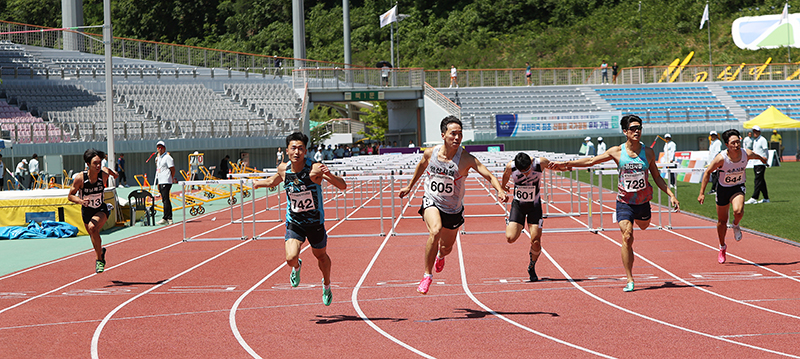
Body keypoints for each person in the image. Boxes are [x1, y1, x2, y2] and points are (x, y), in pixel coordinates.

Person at [548, 115, 679, 292]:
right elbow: (591, 160)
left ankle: (641, 224)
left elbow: (656, 176)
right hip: (624, 202)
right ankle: (630, 279)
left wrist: (671, 194)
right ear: (625, 131)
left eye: (639, 128)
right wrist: (566, 164)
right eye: (632, 128)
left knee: (644, 226)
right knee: (627, 236)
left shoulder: (648, 152)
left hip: (643, 202)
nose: (637, 131)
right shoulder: (617, 151)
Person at [399, 116, 508, 294]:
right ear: (443, 135)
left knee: (447, 247)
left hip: (453, 209)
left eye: (460, 134)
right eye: (453, 134)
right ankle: (427, 275)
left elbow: (489, 175)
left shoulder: (466, 159)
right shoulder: (431, 153)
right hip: (431, 200)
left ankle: (441, 256)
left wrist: (499, 190)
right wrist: (410, 186)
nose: (457, 138)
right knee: (435, 230)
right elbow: (421, 165)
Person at [253, 132, 347, 306]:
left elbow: (342, 186)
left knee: (321, 257)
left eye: (301, 149)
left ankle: (326, 285)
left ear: (305, 151)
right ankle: (297, 267)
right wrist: (258, 183)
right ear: (287, 150)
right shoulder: (284, 168)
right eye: (293, 148)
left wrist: (330, 175)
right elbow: (274, 181)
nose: (297, 152)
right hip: (295, 222)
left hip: (314, 223)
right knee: (290, 258)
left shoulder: (315, 169)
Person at [698, 129, 766, 264]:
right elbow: (707, 173)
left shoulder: (745, 153)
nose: (736, 145)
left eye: (738, 142)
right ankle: (722, 246)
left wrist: (763, 159)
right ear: (727, 145)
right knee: (722, 221)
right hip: (723, 189)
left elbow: (756, 155)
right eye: (733, 143)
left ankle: (735, 225)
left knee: (738, 211)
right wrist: (701, 193)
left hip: (738, 187)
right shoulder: (721, 158)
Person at [501, 152, 551, 282]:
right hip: (519, 206)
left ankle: (532, 266)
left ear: (530, 163)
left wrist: (566, 166)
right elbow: (505, 175)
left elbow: (555, 166)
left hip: (534, 206)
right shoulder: (511, 166)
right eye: (522, 172)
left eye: (528, 170)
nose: (526, 174)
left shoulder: (540, 163)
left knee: (536, 240)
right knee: (510, 238)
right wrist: (503, 187)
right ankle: (513, 223)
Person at [68, 149, 119, 273]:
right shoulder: (80, 178)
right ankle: (101, 252)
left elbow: (109, 171)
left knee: (92, 227)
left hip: (101, 209)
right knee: (93, 236)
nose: (98, 166)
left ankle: (99, 260)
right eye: (95, 163)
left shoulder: (103, 174)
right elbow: (70, 196)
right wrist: (80, 201)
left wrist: (115, 174)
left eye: (99, 163)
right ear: (88, 164)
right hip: (87, 211)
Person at [745, 126, 770, 204]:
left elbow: (766, 151)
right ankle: (766, 198)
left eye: (756, 131)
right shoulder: (755, 140)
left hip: (760, 163)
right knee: (761, 181)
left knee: (757, 180)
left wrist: (766, 159)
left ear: (759, 132)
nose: (754, 133)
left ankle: (754, 197)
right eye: (754, 131)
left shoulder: (762, 140)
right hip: (756, 163)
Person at [154, 141, 176, 225]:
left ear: (164, 148)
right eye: (158, 147)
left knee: (166, 199)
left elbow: (172, 169)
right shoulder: (158, 158)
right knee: (164, 199)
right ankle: (165, 217)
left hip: (166, 180)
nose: (159, 149)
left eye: (161, 147)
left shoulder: (168, 157)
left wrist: (171, 177)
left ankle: (168, 217)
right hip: (161, 180)